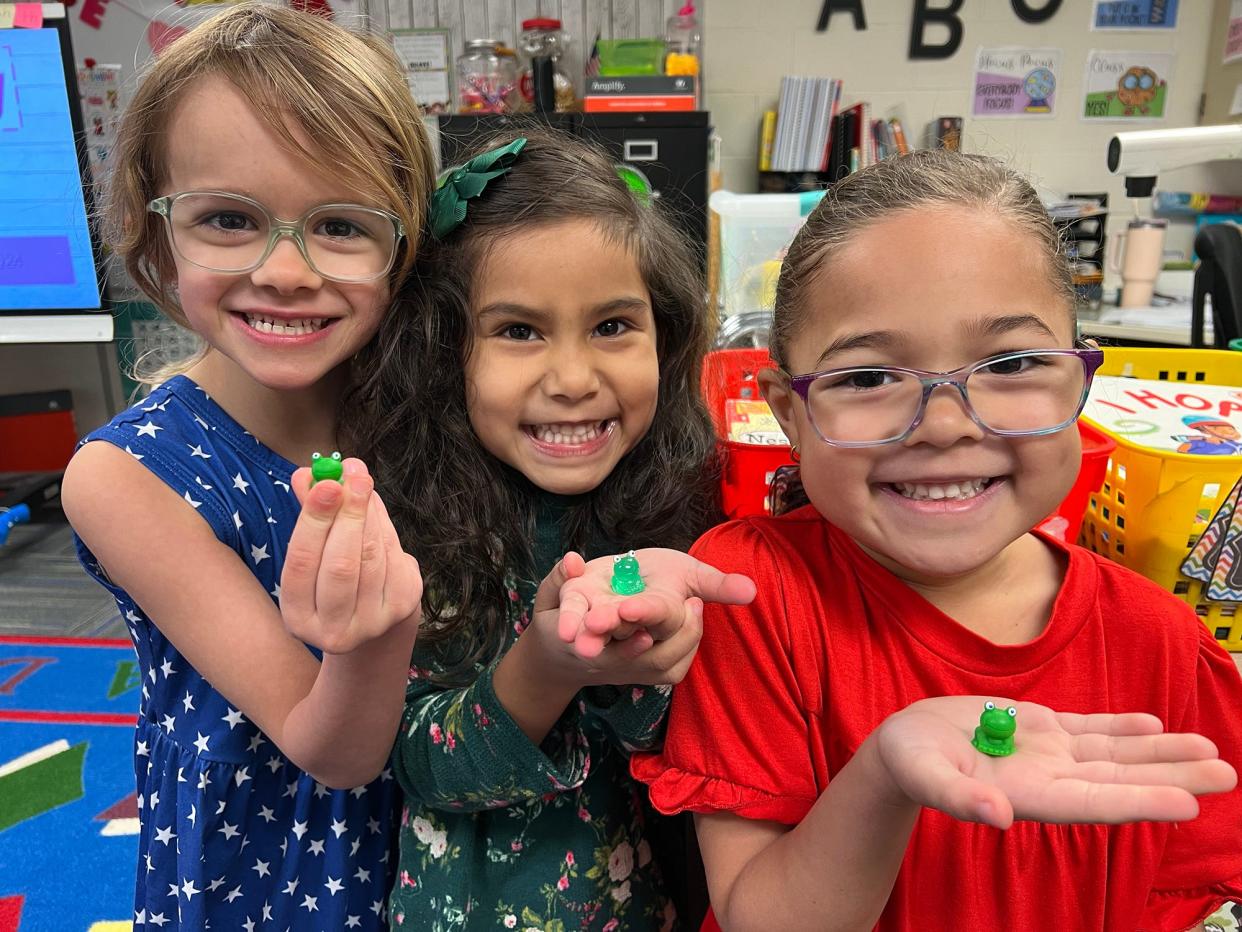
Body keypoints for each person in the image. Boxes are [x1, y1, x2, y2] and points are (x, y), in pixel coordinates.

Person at [631, 149, 1242, 931]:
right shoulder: (751, 595)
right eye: (867, 377)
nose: (947, 425)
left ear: (1080, 378)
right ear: (789, 412)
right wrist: (883, 777)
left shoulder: (1161, 643)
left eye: (1012, 362)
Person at [61, 5, 436, 927]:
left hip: (437, 828)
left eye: (341, 224)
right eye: (229, 219)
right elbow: (331, 749)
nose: (286, 270)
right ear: (156, 236)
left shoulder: (419, 414)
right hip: (268, 869)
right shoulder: (126, 477)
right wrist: (379, 635)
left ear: (406, 246)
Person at [349, 129, 750, 930]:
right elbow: (419, 767)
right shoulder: (407, 521)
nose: (572, 381)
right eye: (519, 331)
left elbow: (697, 753)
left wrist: (644, 658)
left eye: (611, 327)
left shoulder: (691, 498)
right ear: (443, 350)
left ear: (664, 336)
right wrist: (546, 664)